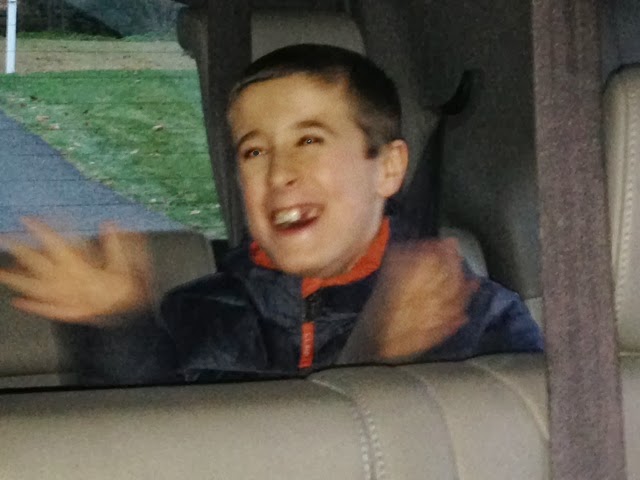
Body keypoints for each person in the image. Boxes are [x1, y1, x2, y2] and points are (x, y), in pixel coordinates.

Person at [0, 44, 543, 385]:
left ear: (387, 168)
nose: (279, 172)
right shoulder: (198, 314)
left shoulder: (478, 319)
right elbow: (160, 451)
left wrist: (398, 372)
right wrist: (120, 328)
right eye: (254, 150)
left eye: (309, 139)